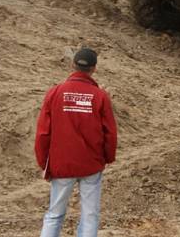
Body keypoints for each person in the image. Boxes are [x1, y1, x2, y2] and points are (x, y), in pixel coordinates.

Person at [35, 47, 117, 237]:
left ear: (72, 65)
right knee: (90, 215)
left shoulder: (55, 93)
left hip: (61, 164)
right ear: (94, 69)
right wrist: (107, 158)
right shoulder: (100, 97)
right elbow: (110, 133)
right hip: (91, 165)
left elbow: (43, 133)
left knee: (54, 214)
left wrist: (44, 164)